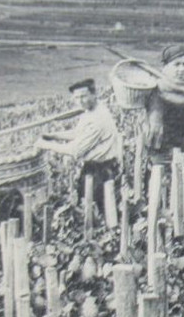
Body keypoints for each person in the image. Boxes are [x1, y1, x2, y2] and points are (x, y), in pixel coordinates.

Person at [37, 78, 122, 217]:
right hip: (94, 168)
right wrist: (54, 136)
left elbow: (75, 150)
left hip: (101, 171)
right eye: (76, 98)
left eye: (83, 96)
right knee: (90, 207)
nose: (80, 101)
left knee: (96, 212)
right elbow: (78, 134)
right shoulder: (91, 111)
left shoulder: (98, 119)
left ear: (94, 94)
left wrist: (46, 145)